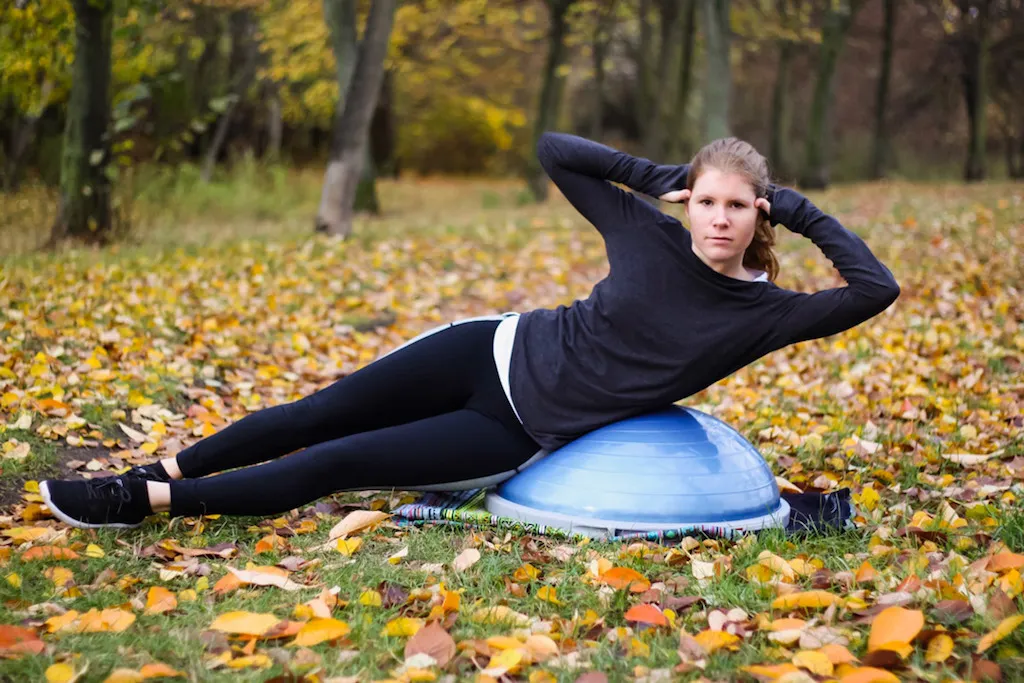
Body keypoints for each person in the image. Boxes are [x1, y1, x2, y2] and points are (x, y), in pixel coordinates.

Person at [40, 132, 900, 529]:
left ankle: (139, 502)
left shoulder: (767, 312)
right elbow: (556, 149)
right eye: (706, 201)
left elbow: (874, 286)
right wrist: (660, 177)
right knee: (319, 411)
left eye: (737, 207)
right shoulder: (646, 228)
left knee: (337, 463)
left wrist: (801, 207)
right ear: (690, 201)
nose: (717, 220)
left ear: (760, 216)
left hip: (510, 428)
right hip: (488, 345)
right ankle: (162, 465)